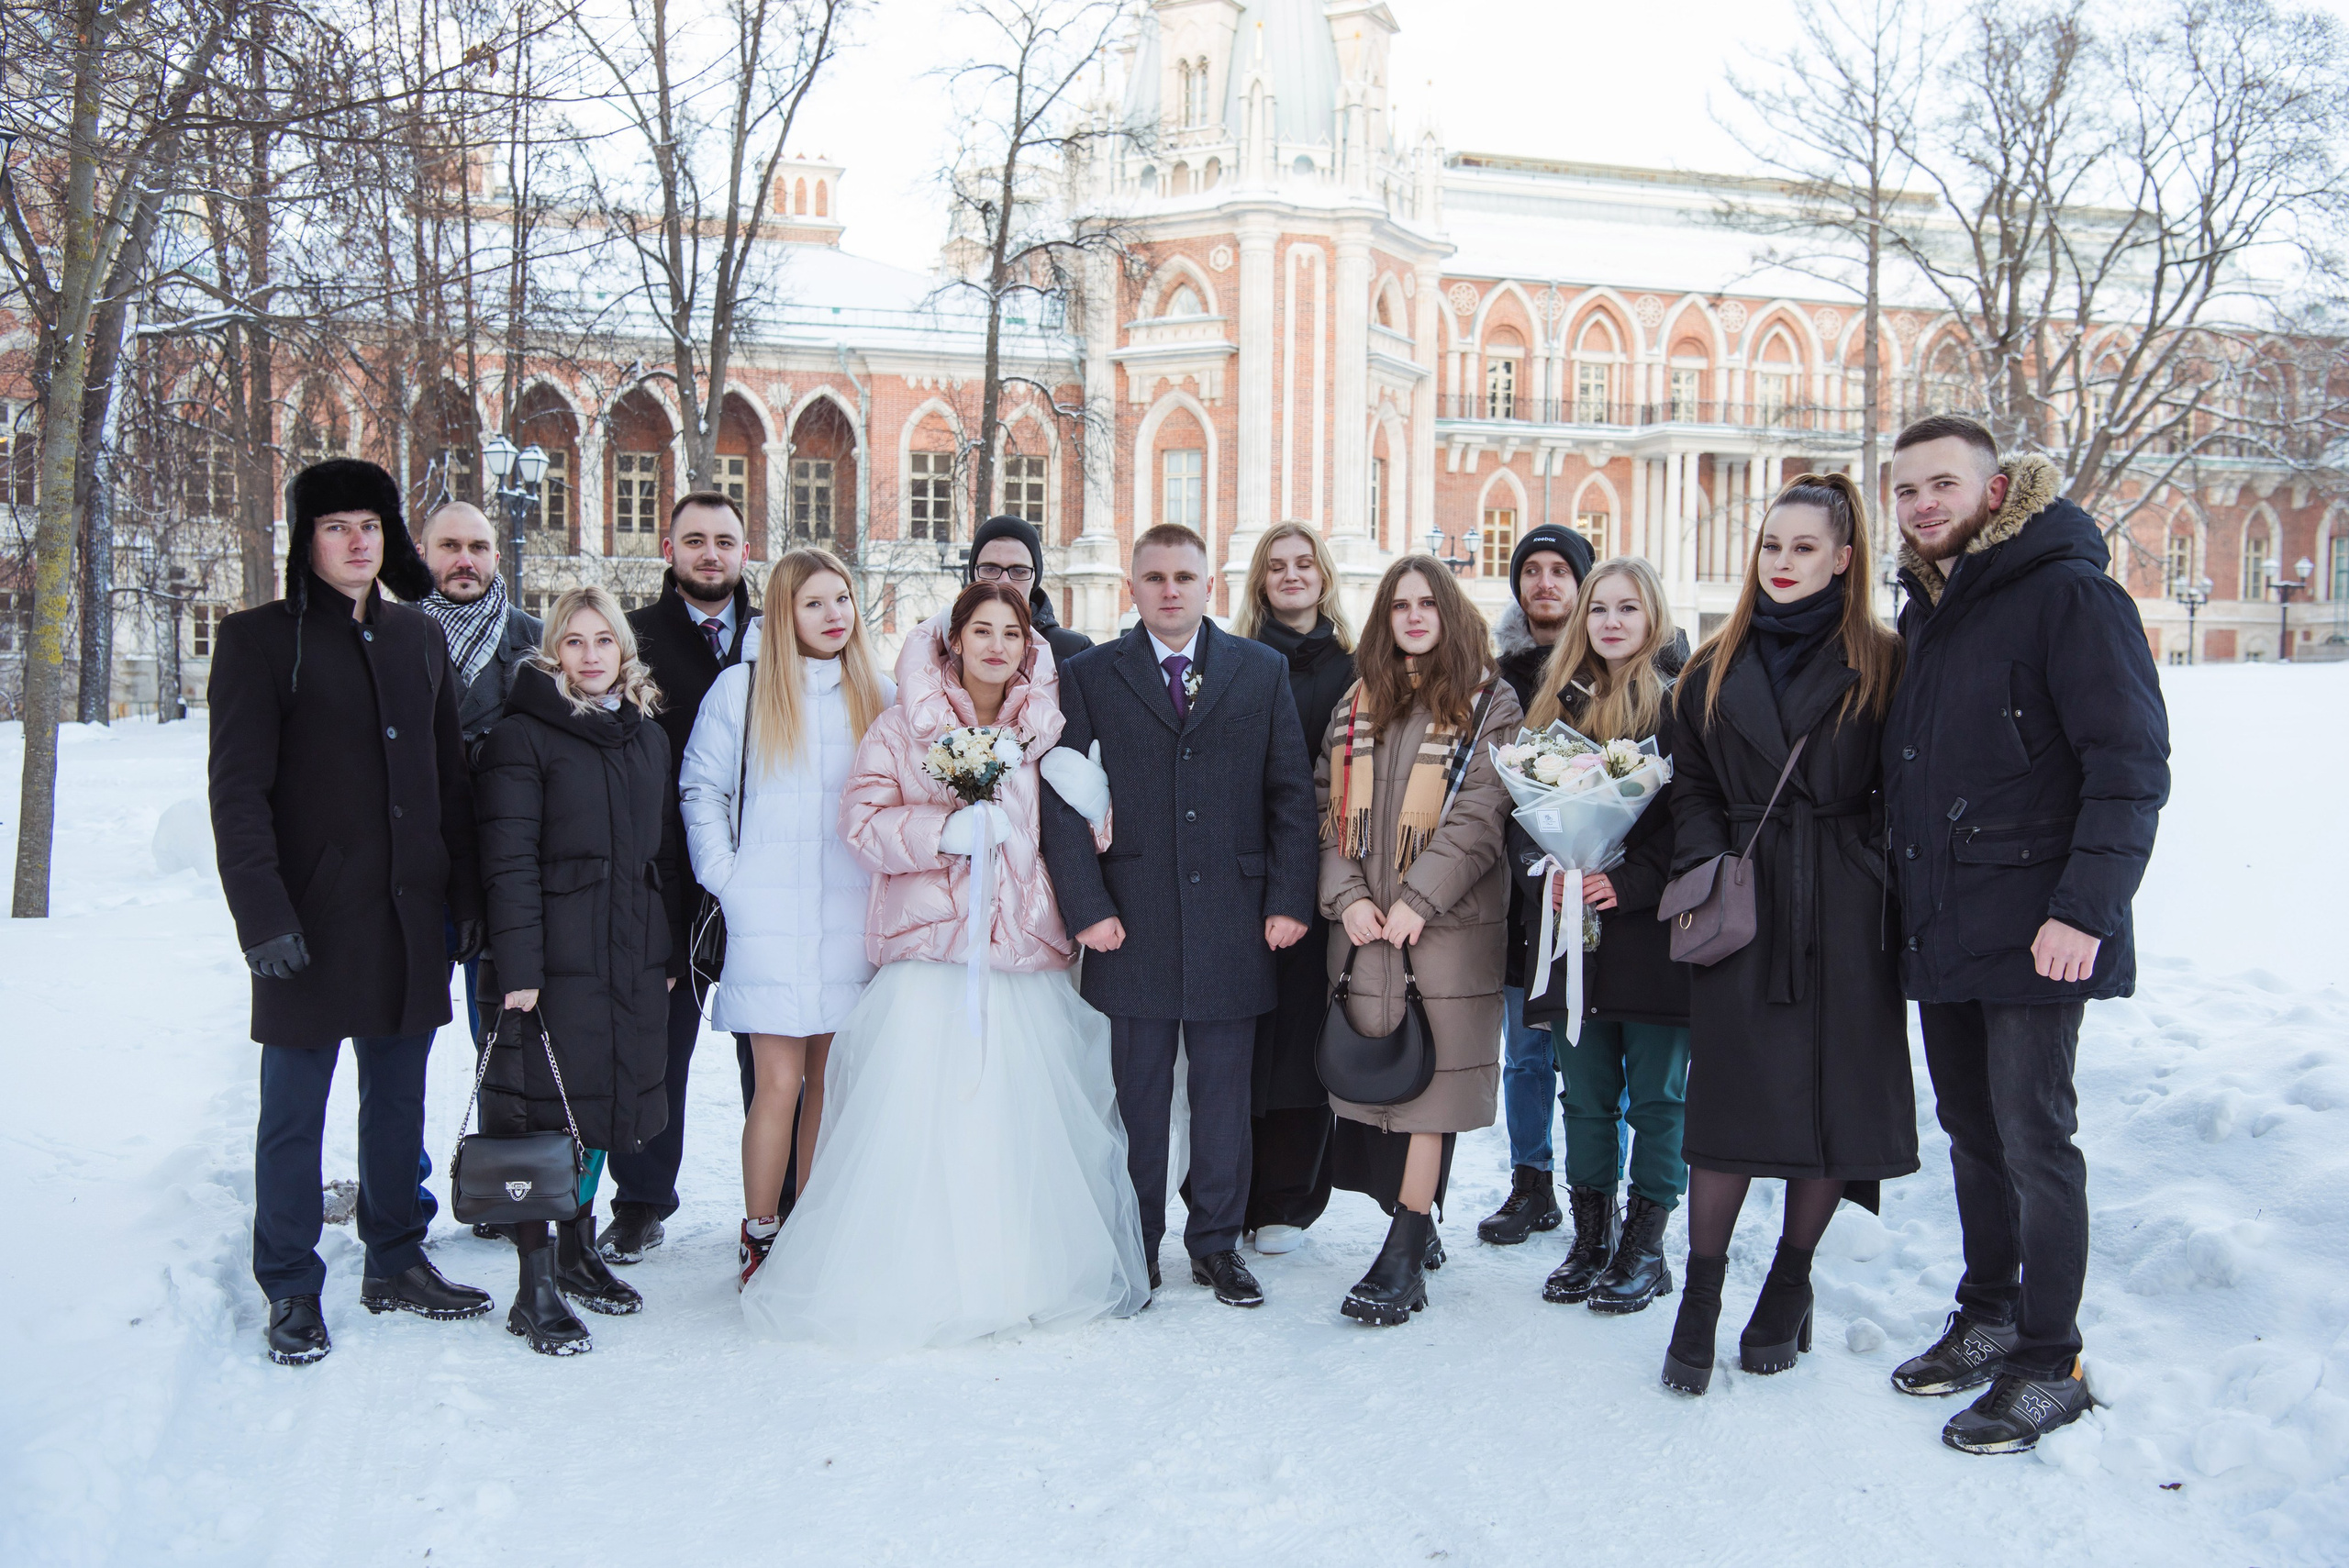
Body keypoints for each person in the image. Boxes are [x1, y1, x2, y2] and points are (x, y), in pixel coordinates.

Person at [741, 584, 1146, 1349]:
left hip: (1021, 962)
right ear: (951, 640)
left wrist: (1097, 809)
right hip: (932, 960)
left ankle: (1017, 1274)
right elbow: (860, 825)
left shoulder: (1046, 730)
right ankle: (910, 1275)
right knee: (926, 1122)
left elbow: (1065, 845)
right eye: (980, 630)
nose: (997, 645)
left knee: (1011, 1122)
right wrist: (942, 831)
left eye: (1011, 633)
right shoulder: (903, 726)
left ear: (1030, 646)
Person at [1883, 415, 2169, 1454]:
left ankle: (2051, 1361)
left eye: (1942, 483)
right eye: (1907, 488)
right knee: (1972, 1134)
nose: (1922, 503)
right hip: (1948, 925)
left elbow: (2129, 766)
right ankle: (1989, 1311)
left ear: (1995, 489)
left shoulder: (2071, 597)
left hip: (2042, 930)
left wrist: (2083, 909)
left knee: (2036, 1140)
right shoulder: (1929, 611)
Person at [206, 457, 489, 1367]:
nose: (357, 539)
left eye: (370, 523)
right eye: (336, 524)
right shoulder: (258, 639)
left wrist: (464, 900)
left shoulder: (418, 638)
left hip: (408, 915)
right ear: (307, 538)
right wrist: (262, 913)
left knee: (397, 1097)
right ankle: (290, 1281)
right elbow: (237, 791)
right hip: (308, 918)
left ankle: (395, 1258)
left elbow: (448, 782)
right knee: (294, 1111)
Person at [1658, 473, 1916, 1397]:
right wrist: (1710, 861)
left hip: (1846, 914)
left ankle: (1790, 1277)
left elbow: (1905, 785)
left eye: (1804, 548)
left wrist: (1872, 870)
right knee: (1726, 1111)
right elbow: (1686, 782)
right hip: (1745, 909)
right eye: (1771, 545)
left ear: (1843, 559)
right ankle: (1699, 1294)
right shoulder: (1710, 667)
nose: (1782, 562)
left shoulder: (1883, 662)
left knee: (1830, 1110)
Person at [1038, 523, 1319, 1308]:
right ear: (1132, 586)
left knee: (1226, 1096)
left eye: (1184, 577)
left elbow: (1291, 795)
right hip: (1133, 921)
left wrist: (1289, 898)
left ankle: (1217, 1243)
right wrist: (1087, 907)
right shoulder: (1091, 674)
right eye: (1154, 576)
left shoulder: (1260, 671)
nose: (1170, 589)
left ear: (1208, 587)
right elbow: (1062, 799)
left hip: (1237, 919)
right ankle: (1137, 1242)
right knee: (1138, 1097)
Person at [473, 586, 685, 1353]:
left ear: (622, 652)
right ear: (551, 651)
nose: (591, 655)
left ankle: (577, 1248)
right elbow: (508, 863)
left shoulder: (645, 738)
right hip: (552, 965)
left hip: (628, 957)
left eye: (604, 641)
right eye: (574, 642)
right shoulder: (520, 737)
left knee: (599, 1107)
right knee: (541, 1119)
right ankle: (533, 1287)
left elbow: (660, 858)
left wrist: (659, 949)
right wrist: (520, 970)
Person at [1317, 555, 1521, 1325]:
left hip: (1446, 934)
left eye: (1426, 602)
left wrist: (1418, 899)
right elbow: (1324, 808)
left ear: (1451, 611)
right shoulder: (1355, 704)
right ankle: (1413, 1223)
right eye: (1398, 604)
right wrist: (1346, 897)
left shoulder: (1489, 702)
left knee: (1431, 1094)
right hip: (1367, 930)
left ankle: (1403, 1253)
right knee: (1385, 1089)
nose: (1412, 615)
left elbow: (1481, 814)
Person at [681, 547, 893, 1289]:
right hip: (766, 914)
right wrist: (726, 876)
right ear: (782, 613)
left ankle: (811, 1221)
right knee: (776, 1081)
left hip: (849, 912)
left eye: (843, 598)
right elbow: (701, 789)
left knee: (829, 1081)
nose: (835, 614)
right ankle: (760, 1229)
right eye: (814, 602)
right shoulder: (740, 691)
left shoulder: (878, 690)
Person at [1514, 556, 1692, 1311]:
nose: (1611, 622)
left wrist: (1628, 881)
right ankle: (1591, 1237)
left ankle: (1645, 1246)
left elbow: (1696, 824)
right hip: (1570, 932)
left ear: (1653, 617)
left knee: (1655, 1096)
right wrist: (1548, 865)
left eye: (1628, 608)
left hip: (1649, 935)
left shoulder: (1682, 706)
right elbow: (1519, 809)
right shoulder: (1555, 707)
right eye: (1599, 609)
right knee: (1583, 1094)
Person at [607, 492, 763, 1263]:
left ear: (745, 549)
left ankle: (779, 1200)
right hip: (660, 873)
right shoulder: (632, 638)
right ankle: (640, 1199)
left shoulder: (781, 635)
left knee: (769, 1046)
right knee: (655, 1045)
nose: (710, 553)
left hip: (761, 869)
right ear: (669, 547)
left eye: (724, 540)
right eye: (694, 539)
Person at [413, 501, 543, 1231]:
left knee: (503, 1041)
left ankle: (506, 1192)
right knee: (400, 1052)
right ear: (424, 551)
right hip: (416, 875)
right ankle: (403, 1200)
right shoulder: (392, 636)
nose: (465, 559)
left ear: (496, 555)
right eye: (449, 546)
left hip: (502, 877)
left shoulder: (533, 642)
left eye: (479, 546)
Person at [1230, 523, 1356, 1258]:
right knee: (1242, 1035)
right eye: (1277, 566)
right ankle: (1231, 1186)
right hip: (1248, 873)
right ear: (1260, 581)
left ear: (1324, 574)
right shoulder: (1237, 662)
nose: (1292, 575)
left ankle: (1290, 1197)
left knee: (1308, 1035)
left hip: (1329, 873)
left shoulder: (1357, 667)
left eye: (1304, 563)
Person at [1479, 522, 1591, 1245]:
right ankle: (1531, 1181)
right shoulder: (1497, 679)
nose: (1544, 582)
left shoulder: (1610, 662)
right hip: (1521, 897)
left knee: (1589, 1056)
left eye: (1559, 570)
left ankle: (1595, 1190)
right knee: (1525, 1051)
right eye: (1532, 571)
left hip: (1596, 893)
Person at [968, 512, 1091, 665]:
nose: (1004, 582)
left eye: (1019, 571)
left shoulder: (1075, 652)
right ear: (974, 574)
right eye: (990, 569)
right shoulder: (939, 645)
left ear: (1035, 578)